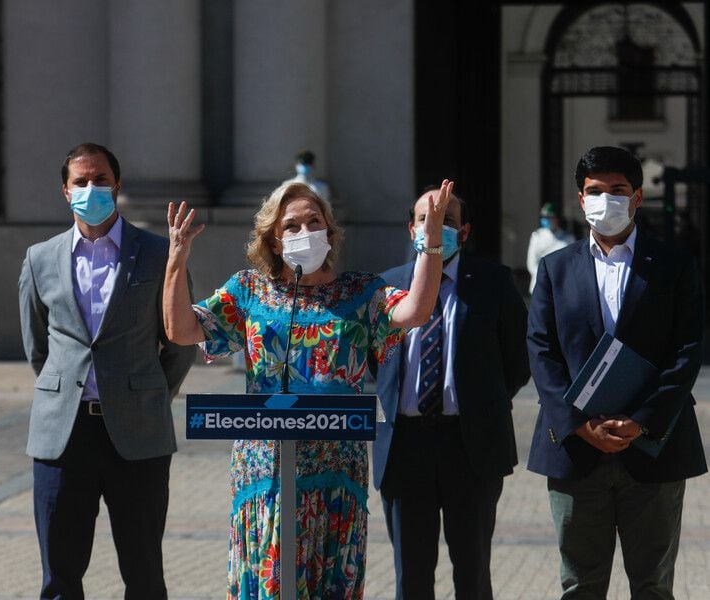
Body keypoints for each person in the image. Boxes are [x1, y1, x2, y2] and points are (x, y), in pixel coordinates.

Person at [164, 179, 453, 597]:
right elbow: (181, 330)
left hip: (334, 474)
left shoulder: (360, 292)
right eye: (292, 227)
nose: (305, 233)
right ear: (275, 242)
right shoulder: (250, 290)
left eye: (314, 222)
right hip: (265, 471)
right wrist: (177, 258)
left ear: (330, 233)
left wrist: (430, 243)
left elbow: (416, 310)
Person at [18, 142, 196, 599]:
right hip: (64, 433)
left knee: (143, 572)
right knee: (60, 575)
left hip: (137, 432)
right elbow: (39, 346)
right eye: (81, 181)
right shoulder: (40, 259)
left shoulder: (158, 254)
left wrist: (146, 390)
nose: (91, 188)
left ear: (117, 185)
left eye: (100, 179)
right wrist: (67, 389)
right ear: (65, 190)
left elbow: (179, 341)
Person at [527, 146, 706, 598]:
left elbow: (687, 351)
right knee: (580, 586)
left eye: (617, 190)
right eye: (594, 191)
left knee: (652, 585)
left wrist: (642, 418)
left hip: (653, 447)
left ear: (638, 197)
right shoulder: (554, 269)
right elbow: (542, 352)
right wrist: (579, 424)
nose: (605, 199)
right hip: (576, 451)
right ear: (580, 198)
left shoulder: (675, 266)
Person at [370, 187, 529, 599]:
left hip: (471, 446)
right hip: (405, 445)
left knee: (473, 572)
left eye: (448, 220)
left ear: (466, 231)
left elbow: (517, 359)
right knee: (412, 573)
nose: (435, 227)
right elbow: (375, 363)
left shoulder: (494, 282)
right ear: (411, 229)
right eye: (426, 219)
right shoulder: (385, 286)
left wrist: (482, 401)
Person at [526, 202, 574, 295]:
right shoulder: (537, 236)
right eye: (544, 217)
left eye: (549, 217)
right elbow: (531, 263)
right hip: (539, 285)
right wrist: (544, 276)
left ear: (556, 218)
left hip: (561, 286)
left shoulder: (568, 238)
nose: (546, 220)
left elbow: (571, 262)